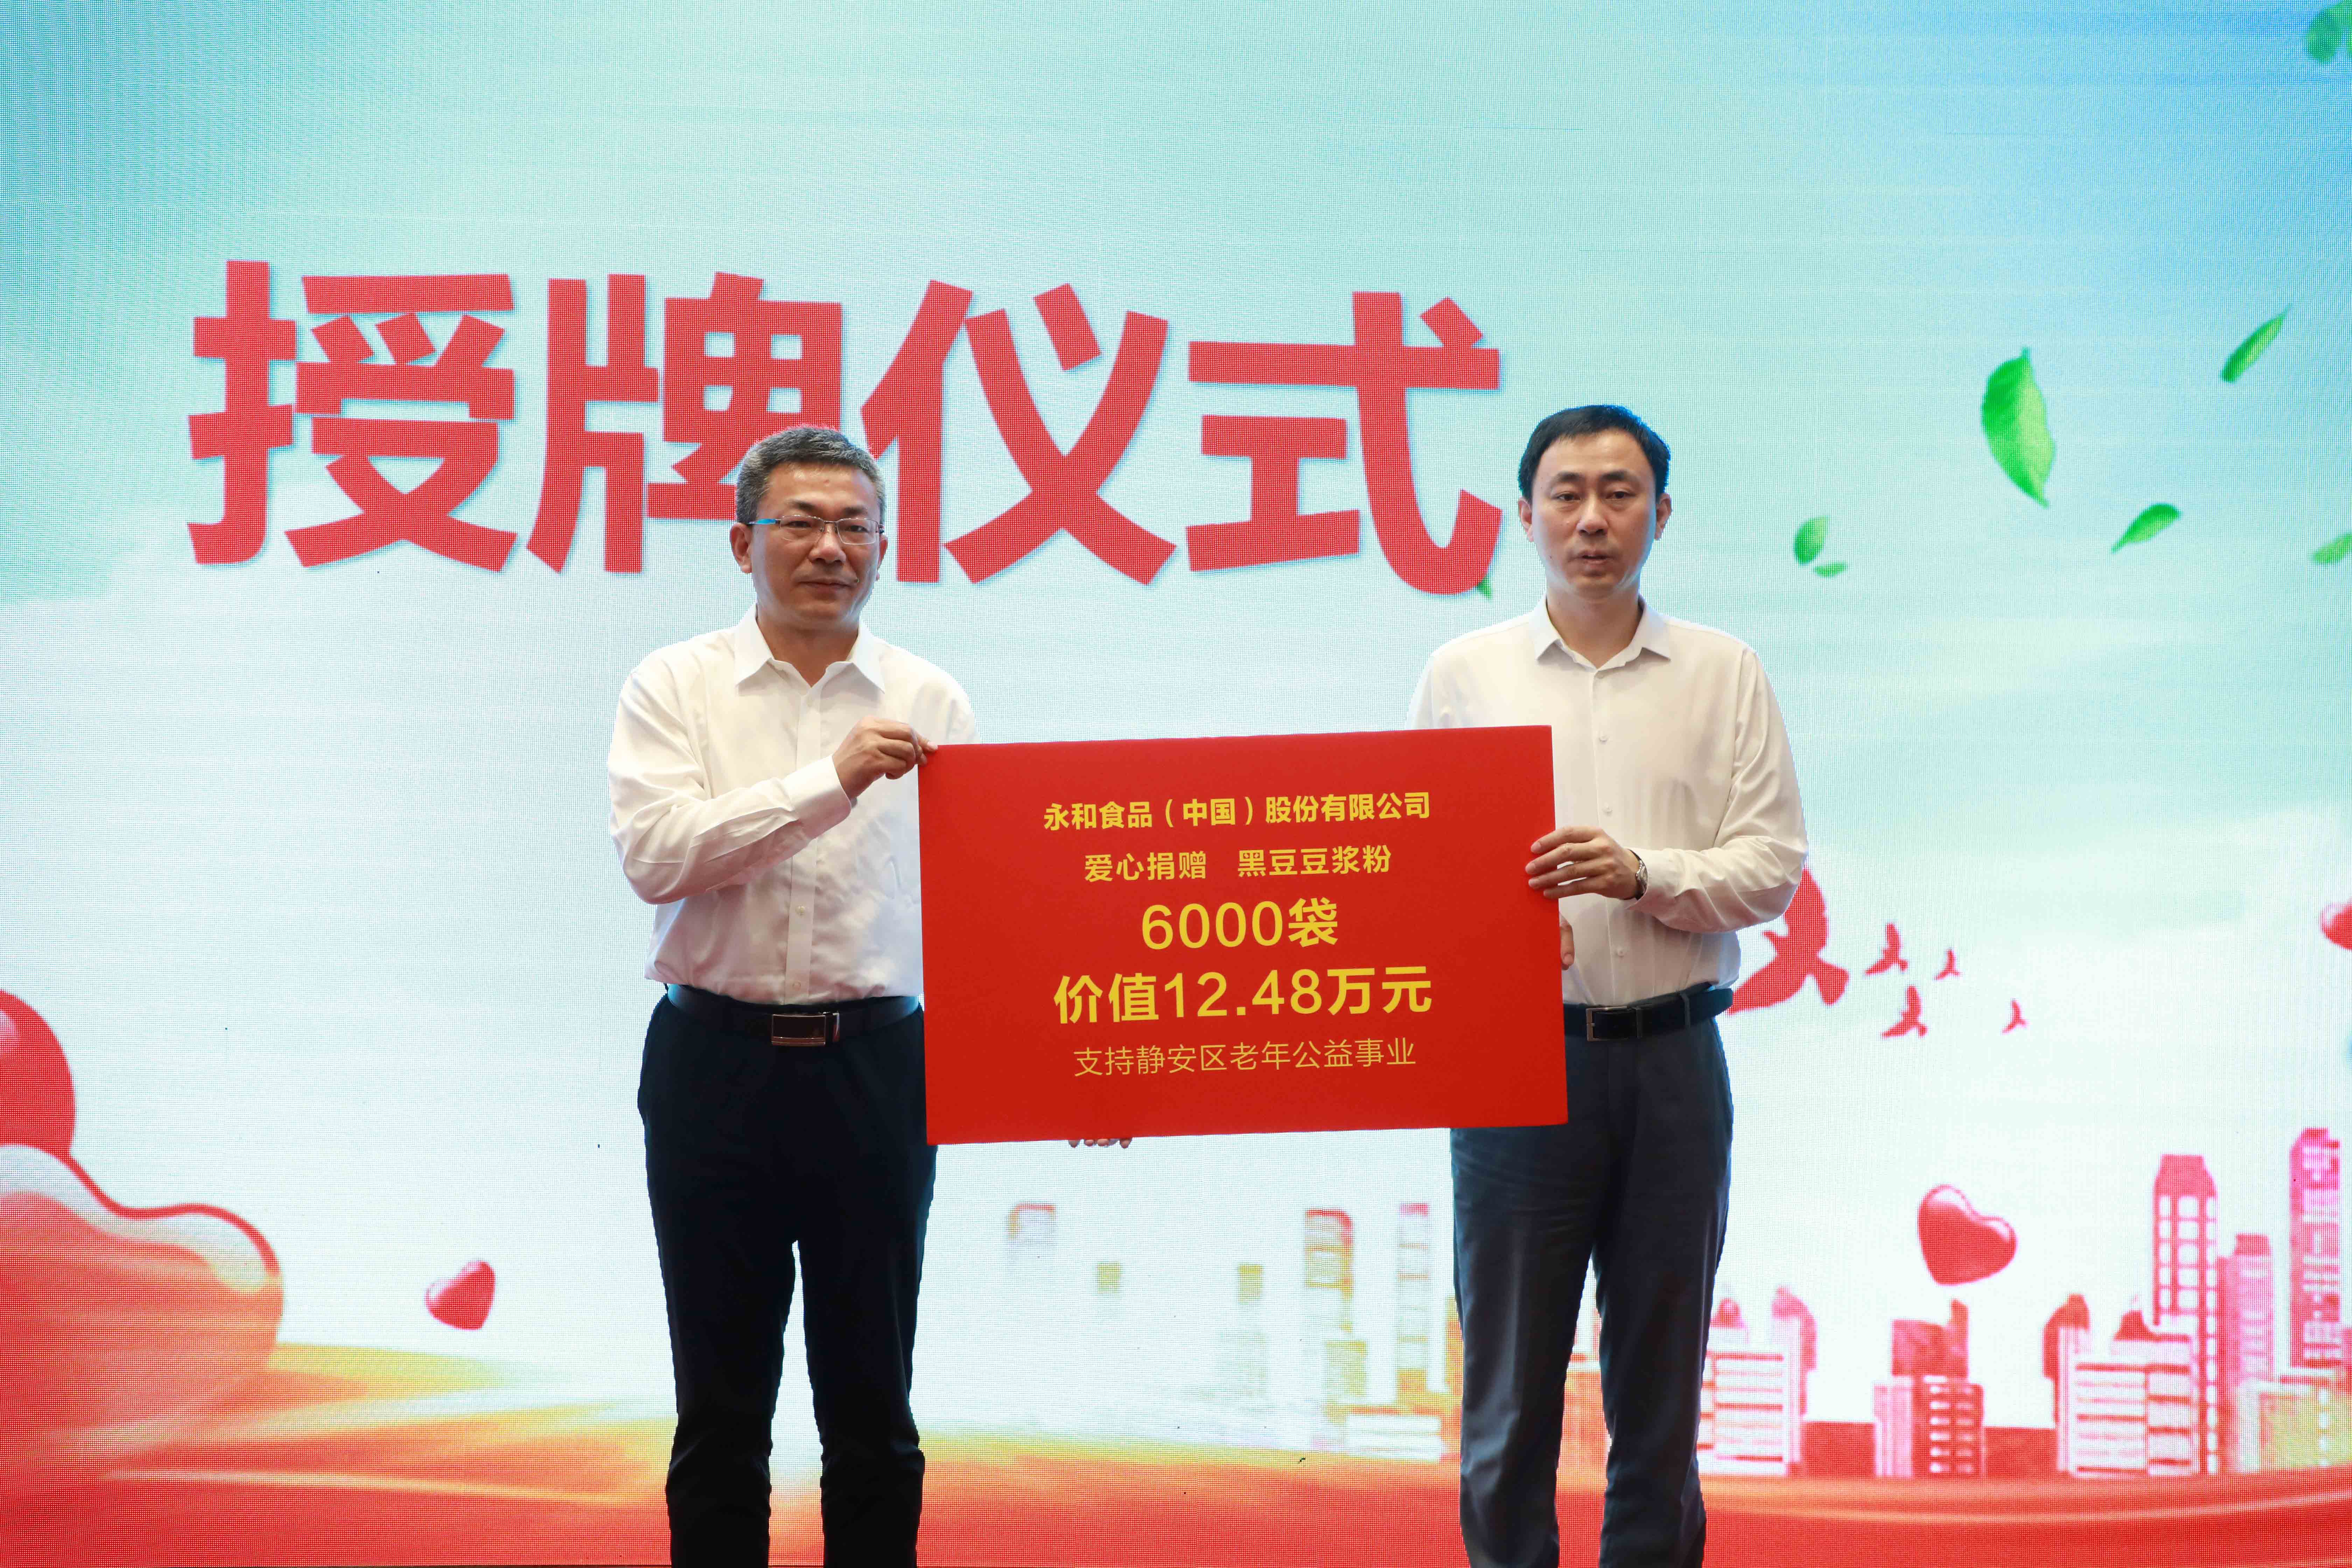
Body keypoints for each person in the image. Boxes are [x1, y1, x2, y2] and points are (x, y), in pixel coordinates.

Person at [1408, 406, 1806, 1568]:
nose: (1592, 519)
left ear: (1661, 514)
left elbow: (1772, 867)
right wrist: (1481, 942)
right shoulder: (1464, 674)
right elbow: (1416, 870)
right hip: (1517, 1068)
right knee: (1507, 1398)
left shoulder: (1724, 673)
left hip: (1675, 1061)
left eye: (1620, 493)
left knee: (1661, 1394)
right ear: (1524, 515)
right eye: (1568, 494)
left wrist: (1644, 875)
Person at [608, 425, 974, 1567]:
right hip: (713, 1064)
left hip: (879, 1068)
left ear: (885, 547)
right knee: (721, 1411)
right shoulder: (675, 685)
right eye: (802, 524)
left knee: (874, 1406)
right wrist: (833, 780)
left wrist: (1059, 1072)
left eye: (856, 527)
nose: (831, 549)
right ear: (742, 542)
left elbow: (983, 904)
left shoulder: (930, 697)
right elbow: (658, 856)